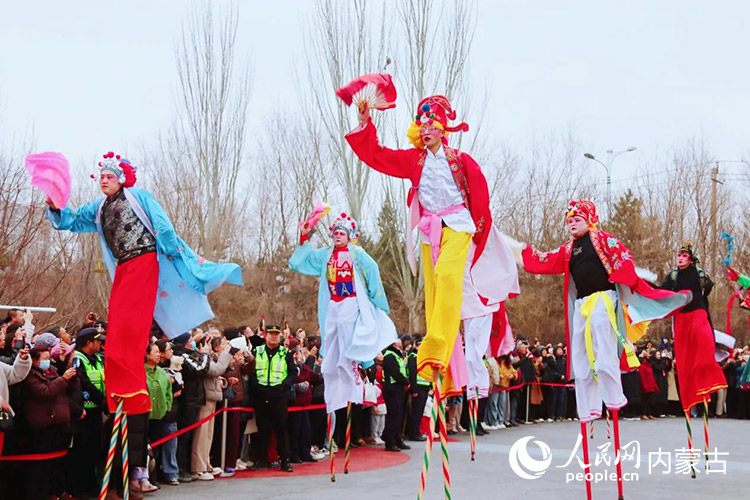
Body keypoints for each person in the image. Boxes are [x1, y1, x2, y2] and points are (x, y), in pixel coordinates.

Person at [509, 200, 691, 498]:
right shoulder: (568, 249)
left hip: (604, 299)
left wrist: (626, 279)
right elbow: (543, 260)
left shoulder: (603, 239)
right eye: (569, 220)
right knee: (581, 359)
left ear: (590, 219)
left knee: (604, 352)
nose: (572, 223)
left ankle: (612, 397)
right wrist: (516, 250)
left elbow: (624, 259)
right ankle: (588, 407)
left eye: (577, 218)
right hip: (581, 304)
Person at [45, 151, 243, 415]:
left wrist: (171, 251)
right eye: (101, 177)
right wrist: (56, 207)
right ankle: (120, 387)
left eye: (109, 177)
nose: (103, 181)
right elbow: (72, 219)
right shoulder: (99, 207)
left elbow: (163, 225)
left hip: (144, 260)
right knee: (116, 324)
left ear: (121, 179)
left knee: (132, 323)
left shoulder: (138, 197)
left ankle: (133, 384)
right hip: (123, 266)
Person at [346, 97, 519, 389]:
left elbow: (480, 196)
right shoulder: (414, 160)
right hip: (430, 230)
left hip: (459, 226)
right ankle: (443, 370)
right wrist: (366, 123)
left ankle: (435, 348)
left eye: (431, 125)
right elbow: (378, 156)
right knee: (435, 293)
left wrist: (480, 235)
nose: (426, 130)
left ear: (442, 129)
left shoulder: (461, 160)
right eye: (422, 126)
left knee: (448, 275)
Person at [289, 212, 397, 414]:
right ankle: (335, 378)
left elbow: (372, 268)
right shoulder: (326, 254)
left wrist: (375, 297)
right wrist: (304, 236)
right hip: (333, 303)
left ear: (349, 236)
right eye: (336, 233)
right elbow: (304, 260)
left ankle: (355, 374)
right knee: (331, 340)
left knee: (349, 340)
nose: (338, 236)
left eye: (342, 233)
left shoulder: (357, 253)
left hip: (350, 301)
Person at [660, 243, 727, 412]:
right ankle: (691, 389)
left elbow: (709, 286)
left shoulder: (699, 273)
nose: (680, 258)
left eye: (684, 255)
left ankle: (705, 373)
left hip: (697, 310)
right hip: (681, 315)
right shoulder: (673, 275)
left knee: (702, 337)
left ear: (690, 259)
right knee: (684, 352)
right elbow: (661, 291)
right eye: (678, 255)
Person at [23, 345, 79, 500]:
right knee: (41, 466)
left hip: (59, 423)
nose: (48, 361)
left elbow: (66, 390)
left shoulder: (53, 371)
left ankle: (57, 491)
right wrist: (63, 379)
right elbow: (45, 392)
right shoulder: (30, 375)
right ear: (35, 360)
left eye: (49, 358)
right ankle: (43, 493)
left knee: (57, 463)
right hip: (43, 424)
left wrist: (71, 378)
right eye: (45, 359)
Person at [249, 324, 297, 472]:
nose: (274, 336)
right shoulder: (257, 351)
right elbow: (251, 372)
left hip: (279, 395)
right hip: (261, 394)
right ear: (266, 335)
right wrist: (257, 387)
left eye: (276, 334)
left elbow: (293, 373)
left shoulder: (285, 353)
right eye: (271, 334)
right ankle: (262, 460)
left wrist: (284, 386)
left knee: (281, 429)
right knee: (262, 429)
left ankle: (285, 461)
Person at [381, 340, 411, 452]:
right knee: (393, 416)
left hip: (398, 388)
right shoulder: (389, 356)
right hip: (392, 388)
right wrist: (406, 381)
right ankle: (390, 442)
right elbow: (395, 372)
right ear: (394, 343)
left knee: (399, 415)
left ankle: (398, 439)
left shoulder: (397, 354)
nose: (400, 342)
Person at [406, 338, 430, 441]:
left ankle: (417, 431)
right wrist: (414, 390)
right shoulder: (413, 357)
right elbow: (412, 374)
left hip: (424, 386)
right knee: (416, 412)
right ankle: (414, 433)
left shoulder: (423, 357)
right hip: (418, 387)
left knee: (420, 412)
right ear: (416, 346)